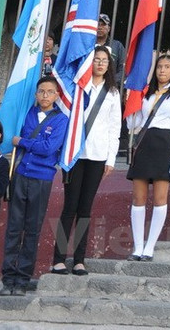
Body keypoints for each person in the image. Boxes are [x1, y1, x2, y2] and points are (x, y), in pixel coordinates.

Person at [52, 46, 122, 275]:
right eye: (96, 60)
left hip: (98, 155)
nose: (100, 64)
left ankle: (79, 259)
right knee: (69, 206)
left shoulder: (112, 93)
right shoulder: (78, 88)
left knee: (85, 208)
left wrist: (111, 158)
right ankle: (59, 258)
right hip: (74, 155)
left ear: (109, 65)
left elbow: (115, 128)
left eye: (104, 61)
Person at [0, 78, 69, 296]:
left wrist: (22, 142)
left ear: (57, 95)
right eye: (42, 91)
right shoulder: (26, 114)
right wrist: (21, 141)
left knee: (31, 230)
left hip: (42, 179)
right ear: (36, 94)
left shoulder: (61, 120)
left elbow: (48, 148)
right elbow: (12, 132)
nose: (45, 96)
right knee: (13, 228)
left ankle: (22, 280)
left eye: (50, 92)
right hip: (20, 175)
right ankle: (8, 277)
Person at [126, 51, 170, 261]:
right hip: (145, 143)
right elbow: (133, 125)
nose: (162, 70)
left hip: (165, 144)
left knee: (160, 198)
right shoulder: (145, 93)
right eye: (160, 66)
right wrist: (131, 103)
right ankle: (137, 246)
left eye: (167, 67)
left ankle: (149, 247)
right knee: (138, 197)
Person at [95, 14, 126, 81]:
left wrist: (110, 82)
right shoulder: (87, 45)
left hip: (111, 87)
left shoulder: (117, 46)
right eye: (97, 24)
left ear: (109, 28)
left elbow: (123, 70)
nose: (99, 27)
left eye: (103, 24)